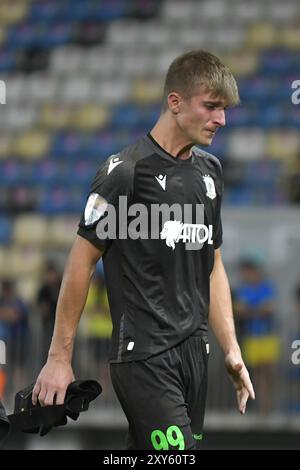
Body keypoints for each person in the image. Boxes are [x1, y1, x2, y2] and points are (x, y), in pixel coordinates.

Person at [32, 50, 255, 450]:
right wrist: (59, 358)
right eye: (211, 107)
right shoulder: (125, 173)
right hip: (145, 356)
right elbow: (82, 261)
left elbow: (213, 263)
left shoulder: (210, 172)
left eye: (223, 110)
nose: (221, 120)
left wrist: (232, 349)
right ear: (174, 102)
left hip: (195, 354)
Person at [234, 258, 280, 414]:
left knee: (269, 372)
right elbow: (240, 309)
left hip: (267, 336)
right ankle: (260, 407)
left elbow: (270, 307)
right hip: (252, 337)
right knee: (256, 374)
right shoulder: (244, 289)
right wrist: (258, 309)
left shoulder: (266, 287)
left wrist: (250, 310)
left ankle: (267, 407)